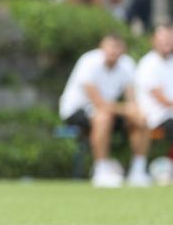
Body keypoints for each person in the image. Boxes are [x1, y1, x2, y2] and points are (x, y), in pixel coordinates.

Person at [58, 35, 148, 187]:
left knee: (141, 117)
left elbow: (131, 99)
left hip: (111, 111)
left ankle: (138, 170)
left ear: (123, 50)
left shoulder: (127, 64)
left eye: (117, 47)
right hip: (77, 111)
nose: (113, 51)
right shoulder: (88, 62)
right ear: (101, 48)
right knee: (102, 117)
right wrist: (126, 109)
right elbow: (98, 103)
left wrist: (135, 111)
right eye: (110, 47)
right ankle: (100, 170)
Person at [134, 25, 173, 144]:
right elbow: (163, 100)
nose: (166, 41)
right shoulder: (148, 64)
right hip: (156, 117)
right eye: (162, 38)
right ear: (153, 40)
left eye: (169, 38)